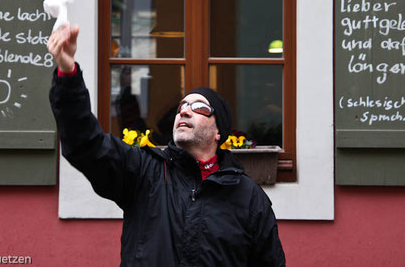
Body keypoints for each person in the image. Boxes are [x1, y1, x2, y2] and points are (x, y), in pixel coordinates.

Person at [47, 24, 286, 266]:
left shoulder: (247, 195)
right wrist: (68, 74)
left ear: (218, 132)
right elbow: (86, 144)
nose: (184, 112)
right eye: (182, 107)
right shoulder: (143, 171)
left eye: (198, 108)